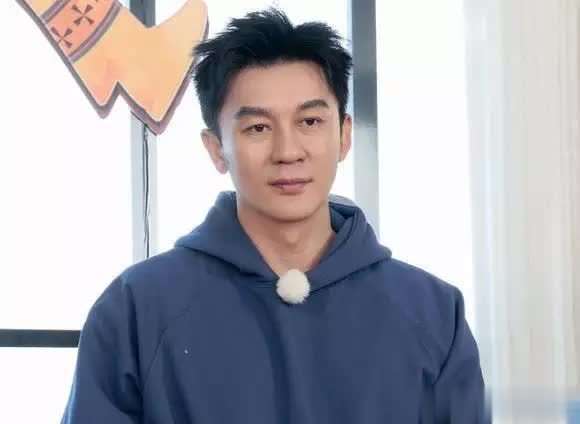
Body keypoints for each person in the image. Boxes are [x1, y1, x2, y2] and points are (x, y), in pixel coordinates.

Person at [61, 8, 488, 423]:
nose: (287, 151)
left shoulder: (433, 312)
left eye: (310, 121)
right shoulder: (136, 309)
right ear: (216, 149)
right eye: (258, 128)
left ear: (344, 136)